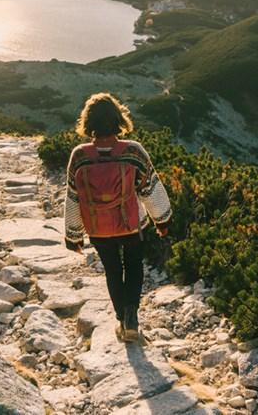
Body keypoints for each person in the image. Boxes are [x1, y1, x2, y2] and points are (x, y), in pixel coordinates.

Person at [64, 93, 172, 342]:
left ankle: (121, 321)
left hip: (98, 228)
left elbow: (73, 196)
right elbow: (149, 188)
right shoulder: (133, 151)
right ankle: (132, 316)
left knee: (112, 271)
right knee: (134, 267)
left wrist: (73, 235)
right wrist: (162, 221)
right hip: (130, 224)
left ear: (88, 122)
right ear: (118, 119)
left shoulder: (79, 155)